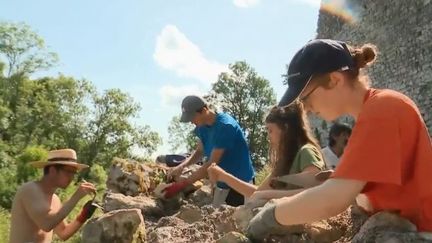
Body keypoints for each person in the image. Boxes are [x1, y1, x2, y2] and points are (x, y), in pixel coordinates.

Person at [247, 39, 432, 240]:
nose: (306, 108)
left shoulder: (383, 109)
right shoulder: (375, 111)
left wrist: (271, 216)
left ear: (334, 80)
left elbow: (333, 200)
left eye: (305, 98)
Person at [207, 102, 326, 201]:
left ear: (285, 128)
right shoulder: (285, 161)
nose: (268, 137)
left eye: (270, 130)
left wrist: (269, 195)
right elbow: (256, 193)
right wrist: (223, 176)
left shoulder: (307, 151)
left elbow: (315, 190)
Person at [163, 95, 255, 207]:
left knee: (239, 221)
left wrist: (182, 185)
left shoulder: (225, 126)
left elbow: (211, 164)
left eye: (192, 117)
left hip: (240, 182)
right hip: (221, 182)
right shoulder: (202, 127)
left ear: (204, 110)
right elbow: (199, 152)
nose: (191, 121)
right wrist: (181, 166)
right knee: (217, 219)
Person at [9, 149, 97, 243]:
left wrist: (84, 214)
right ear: (52, 170)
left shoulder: (55, 199)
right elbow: (47, 224)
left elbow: (63, 233)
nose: (71, 177)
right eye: (68, 171)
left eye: (74, 173)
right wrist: (76, 197)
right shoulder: (30, 189)